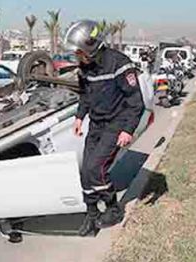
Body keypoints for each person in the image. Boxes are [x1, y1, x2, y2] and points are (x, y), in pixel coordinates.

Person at [64, 20, 145, 236]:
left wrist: (128, 130)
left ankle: (113, 208)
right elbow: (85, 96)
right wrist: (80, 117)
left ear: (91, 47)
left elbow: (136, 102)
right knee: (85, 171)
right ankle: (91, 213)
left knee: (95, 169)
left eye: (79, 52)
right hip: (97, 124)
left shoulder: (119, 64)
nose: (76, 56)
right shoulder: (85, 68)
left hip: (116, 124)